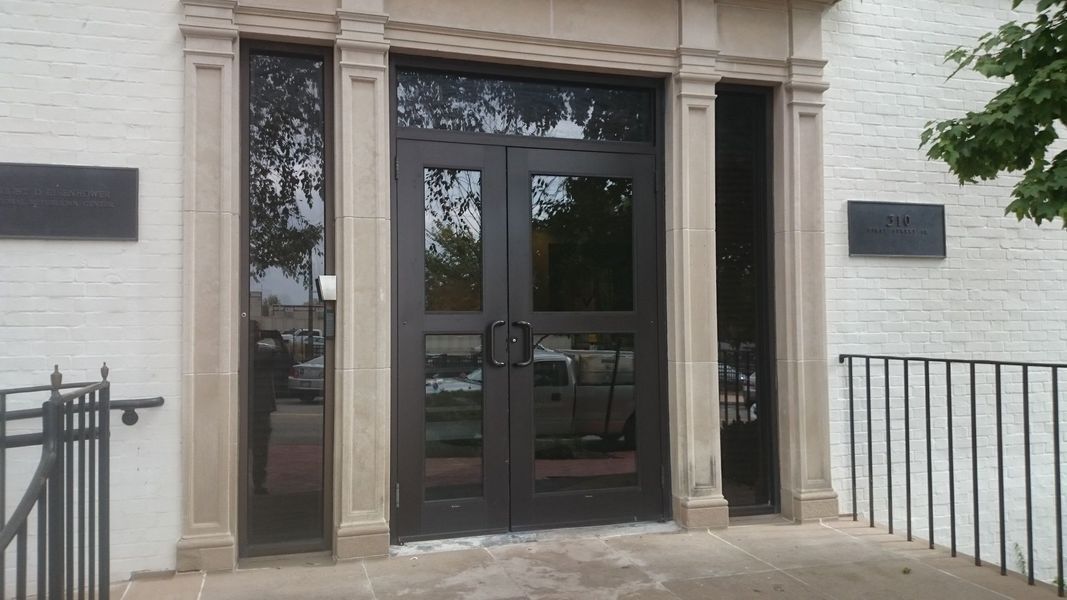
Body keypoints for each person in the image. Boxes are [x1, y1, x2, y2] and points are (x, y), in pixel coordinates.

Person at [249, 320, 277, 495]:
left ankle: (259, 483)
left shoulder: (266, 353)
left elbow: (286, 360)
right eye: (252, 332)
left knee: (260, 450)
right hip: (246, 406)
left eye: (257, 332)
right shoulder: (241, 353)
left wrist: (275, 338)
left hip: (261, 408)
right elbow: (254, 360)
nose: (255, 335)